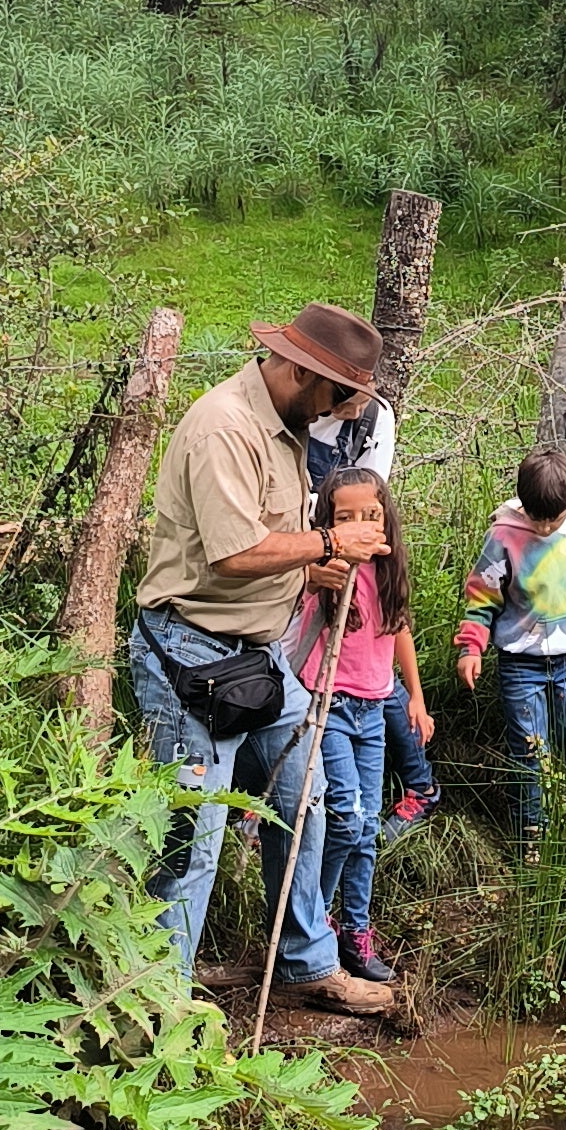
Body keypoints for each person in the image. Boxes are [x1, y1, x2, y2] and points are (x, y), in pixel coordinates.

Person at [129, 304, 395, 1014]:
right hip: (190, 655)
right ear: (304, 373)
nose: (340, 412)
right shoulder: (225, 426)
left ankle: (305, 960)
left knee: (301, 799)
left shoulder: (289, 427)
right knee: (192, 837)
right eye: (339, 397)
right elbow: (234, 551)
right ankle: (160, 1004)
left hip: (258, 656)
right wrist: (330, 547)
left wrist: (309, 572)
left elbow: (269, 547)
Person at [289, 468, 429, 987]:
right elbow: (292, 604)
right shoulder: (325, 568)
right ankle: (316, 924)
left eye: (369, 515)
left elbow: (399, 628)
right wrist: (318, 569)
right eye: (345, 517)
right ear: (327, 522)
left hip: (373, 707)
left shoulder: (387, 571)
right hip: (328, 703)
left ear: (385, 516)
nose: (360, 525)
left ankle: (355, 931)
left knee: (366, 827)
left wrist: (414, 696)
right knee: (345, 818)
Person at [301, 381, 441, 839]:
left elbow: (369, 498)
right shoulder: (296, 414)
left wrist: (350, 535)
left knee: (384, 687)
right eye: (348, 402)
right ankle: (273, 797)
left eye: (362, 400)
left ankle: (421, 787)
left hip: (348, 562)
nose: (355, 410)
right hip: (307, 555)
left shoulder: (374, 419)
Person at [454, 447, 566, 850]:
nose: (542, 527)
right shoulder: (503, 537)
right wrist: (471, 646)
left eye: (551, 520)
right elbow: (483, 595)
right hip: (521, 662)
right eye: (536, 518)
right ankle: (531, 839)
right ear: (523, 504)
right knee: (530, 753)